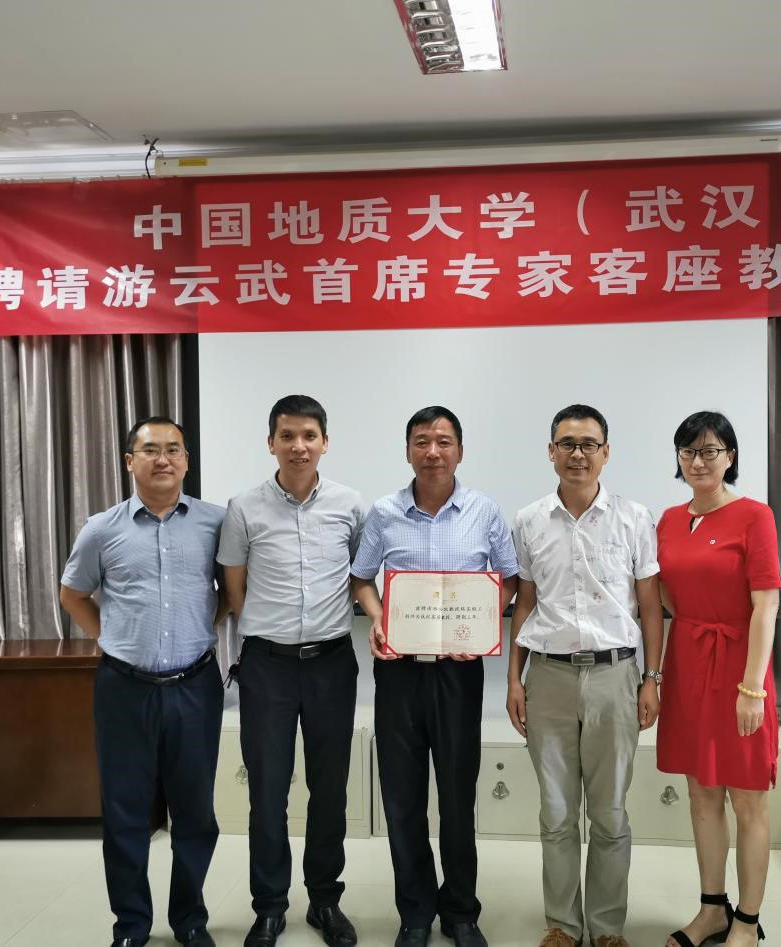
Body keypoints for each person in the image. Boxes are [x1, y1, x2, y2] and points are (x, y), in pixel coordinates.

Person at [350, 406, 519, 947]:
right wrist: (378, 617)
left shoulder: (484, 511)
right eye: (421, 441)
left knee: (456, 794)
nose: (433, 451)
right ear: (408, 452)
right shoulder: (384, 513)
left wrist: (485, 621)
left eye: (444, 441)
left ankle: (461, 911)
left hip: (458, 675)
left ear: (460, 451)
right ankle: (416, 912)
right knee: (401, 797)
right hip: (399, 673)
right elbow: (361, 580)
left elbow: (510, 580)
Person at [59, 416, 226, 947]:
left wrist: (205, 625)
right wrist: (111, 637)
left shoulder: (215, 523)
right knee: (126, 813)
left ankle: (189, 919)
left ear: (186, 461)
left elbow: (232, 589)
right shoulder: (101, 528)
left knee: (195, 813)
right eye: (151, 450)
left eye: (174, 450)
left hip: (194, 686)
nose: (163, 459)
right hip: (124, 689)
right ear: (130, 461)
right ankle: (131, 925)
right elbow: (72, 594)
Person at [506, 404, 664, 947]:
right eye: (567, 444)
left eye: (589, 444)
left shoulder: (634, 518)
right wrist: (514, 680)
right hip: (547, 678)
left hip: (615, 678)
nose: (578, 454)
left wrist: (652, 678)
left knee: (610, 812)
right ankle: (562, 924)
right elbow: (525, 603)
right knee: (555, 811)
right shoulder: (529, 520)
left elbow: (650, 607)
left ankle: (606, 926)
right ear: (551, 452)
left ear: (606, 452)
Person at [217, 395, 365, 947]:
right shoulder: (243, 507)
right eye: (287, 436)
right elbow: (234, 589)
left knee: (329, 790)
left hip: (331, 663)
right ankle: (270, 907)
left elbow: (360, 577)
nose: (298, 446)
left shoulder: (351, 505)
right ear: (271, 442)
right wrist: (268, 633)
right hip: (267, 667)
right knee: (268, 791)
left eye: (309, 436)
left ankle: (325, 900)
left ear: (325, 442)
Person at [656, 411, 781, 947]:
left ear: (730, 456)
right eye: (689, 451)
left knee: (747, 799)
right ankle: (712, 910)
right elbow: (664, 594)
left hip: (739, 667)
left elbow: (766, 606)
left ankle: (747, 923)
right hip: (688, 663)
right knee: (701, 793)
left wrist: (752, 688)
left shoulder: (754, 516)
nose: (699, 461)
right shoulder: (667, 520)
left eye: (710, 450)